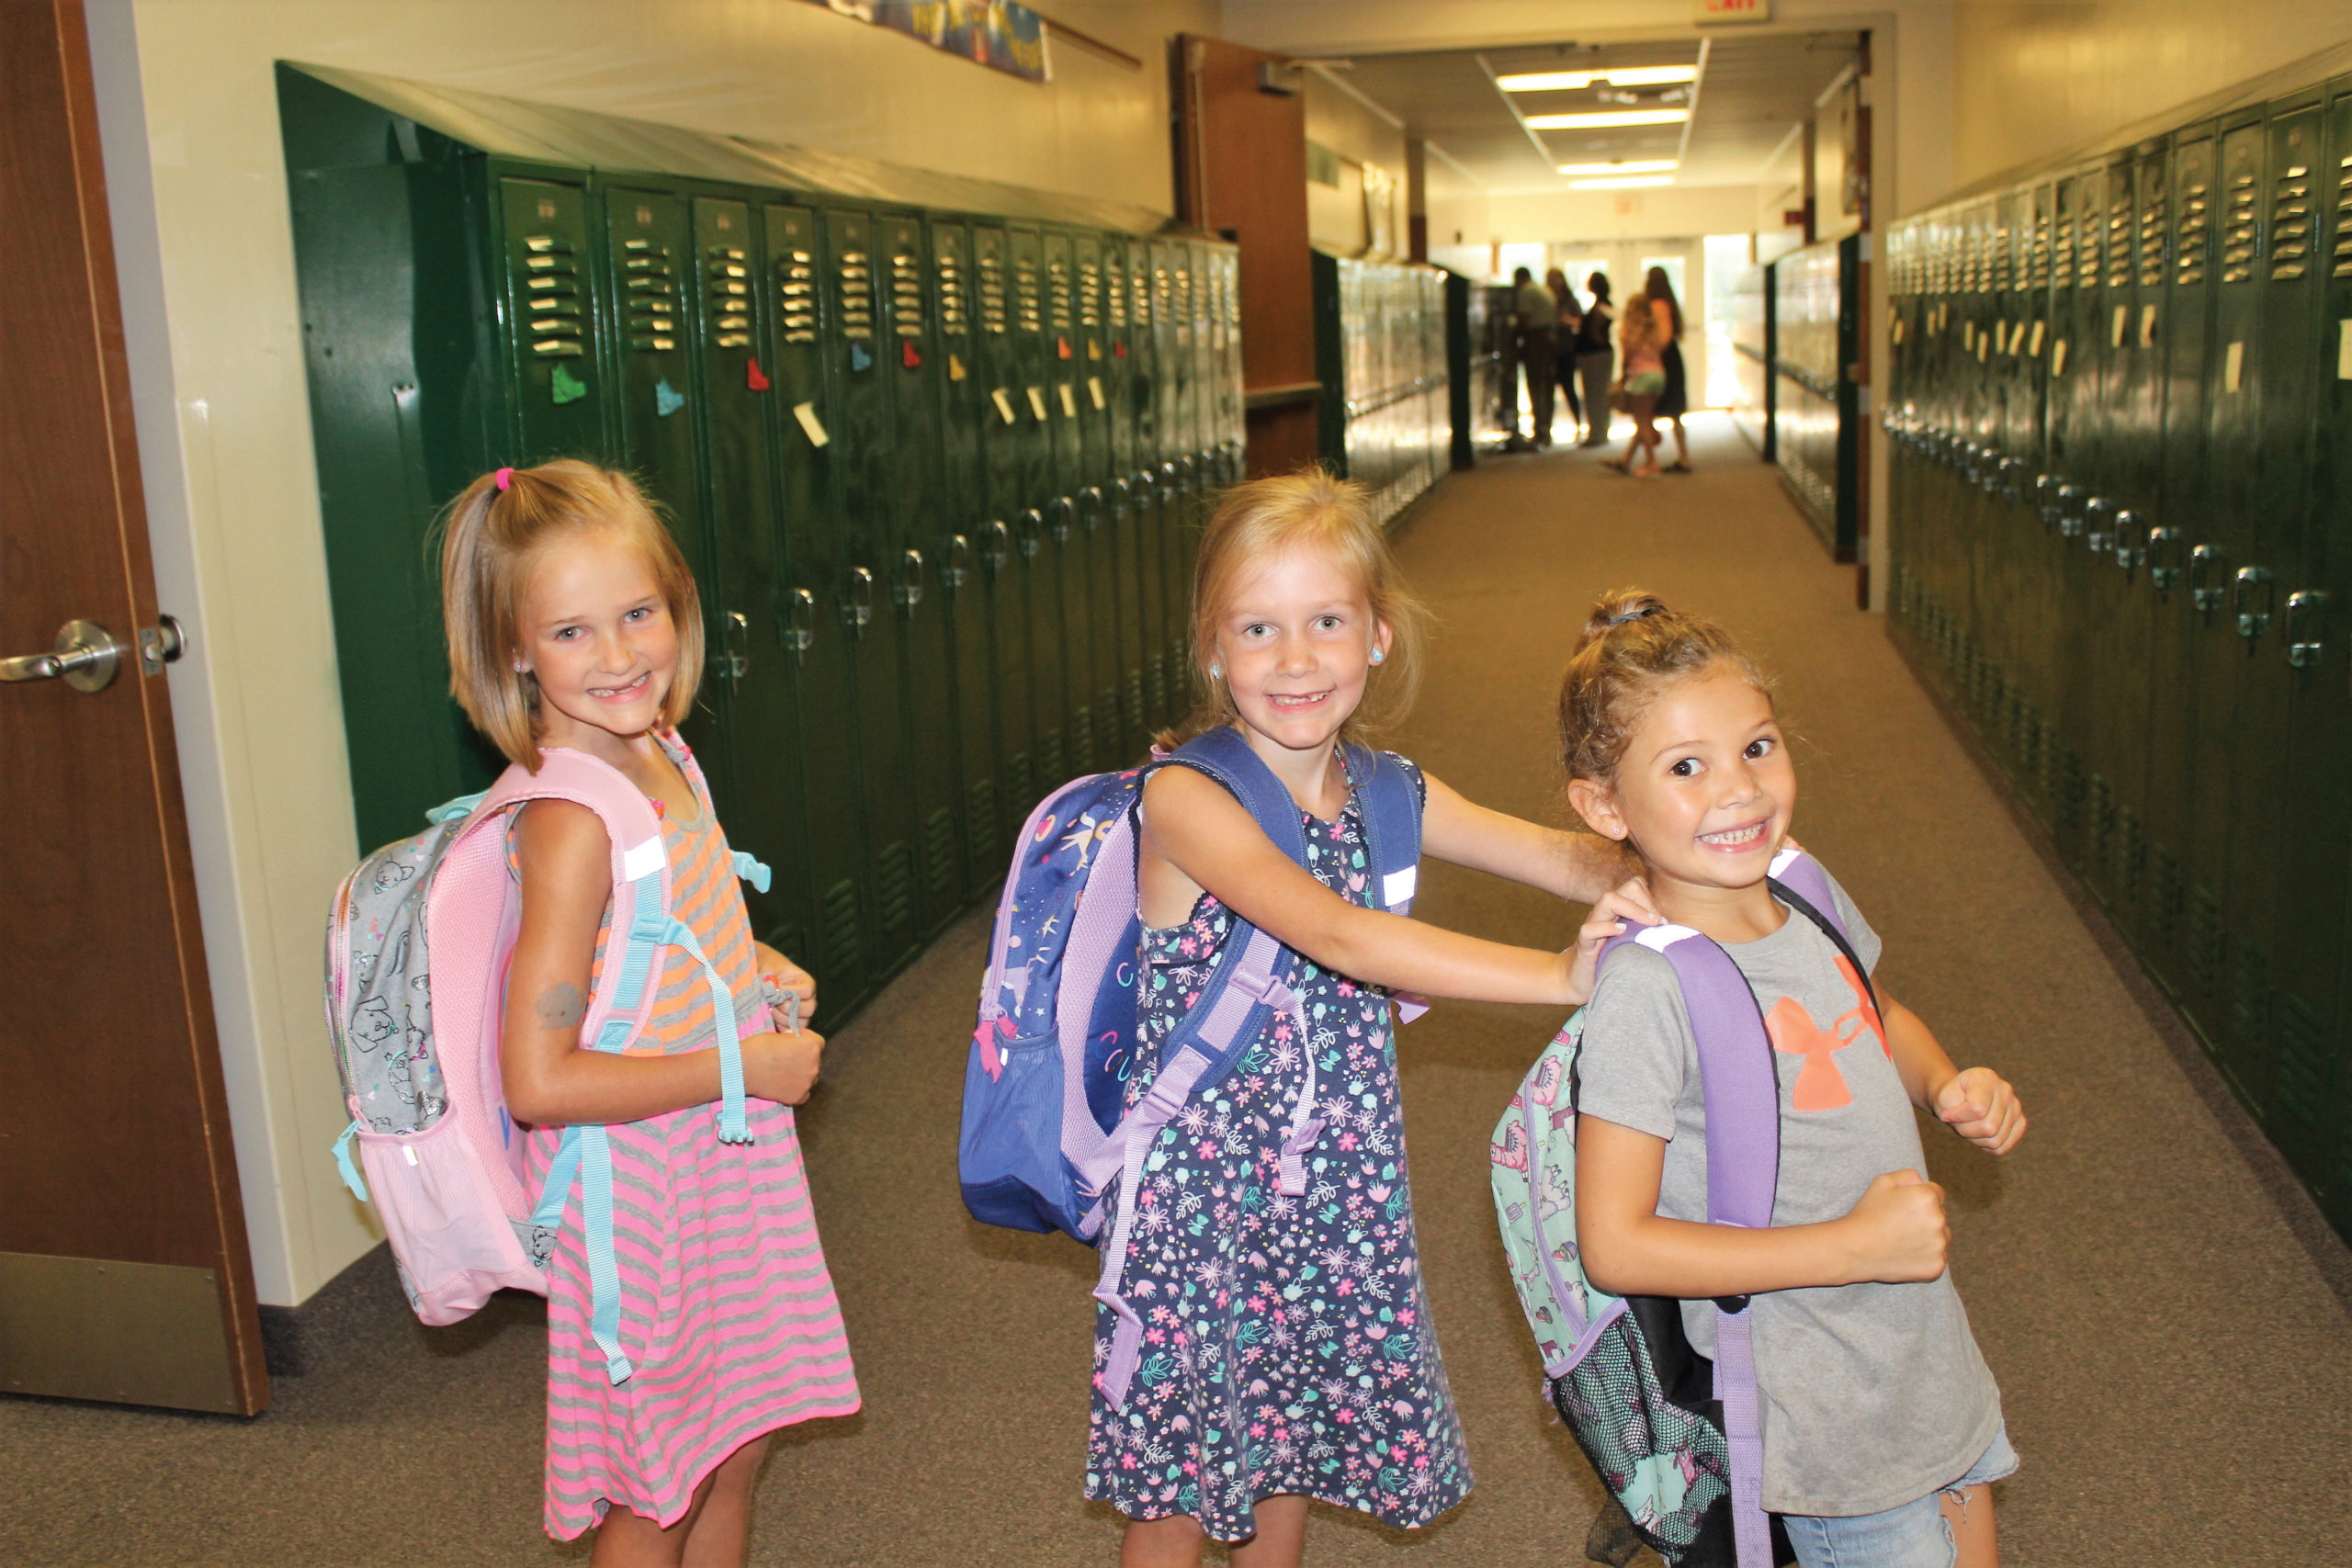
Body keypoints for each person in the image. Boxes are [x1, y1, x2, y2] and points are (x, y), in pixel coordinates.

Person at [1096, 472, 1653, 1567]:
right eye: (1257, 628)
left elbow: (1560, 858)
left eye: (1325, 622)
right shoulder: (1186, 798)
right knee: (1179, 1474)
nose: (1294, 659)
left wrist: (1704, 852)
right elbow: (1341, 936)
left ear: (1376, 635)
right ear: (1212, 650)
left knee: (1288, 1440)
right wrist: (1558, 973)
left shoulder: (1384, 787)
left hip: (1328, 1188)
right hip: (1200, 1198)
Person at [443, 460, 858, 1563]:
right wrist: (743, 1068)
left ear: (678, 602)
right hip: (636, 1191)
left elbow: (653, 934)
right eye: (571, 632)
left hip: (717, 1163)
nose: (620, 655)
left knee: (736, 1443)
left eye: (638, 613)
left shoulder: (660, 751)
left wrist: (747, 965)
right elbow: (541, 1080)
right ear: (515, 651)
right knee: (658, 1484)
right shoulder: (572, 822)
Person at [1559, 590, 2027, 1568]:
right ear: (1604, 805)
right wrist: (1853, 1247)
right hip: (1823, 1401)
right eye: (1685, 767)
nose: (1739, 789)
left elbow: (1876, 1011)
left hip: (1920, 1351)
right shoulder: (1648, 991)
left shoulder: (1802, 885)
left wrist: (1946, 1083)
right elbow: (1616, 1242)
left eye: (1757, 747)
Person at [1603, 297, 1666, 479]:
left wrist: (1623, 379)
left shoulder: (1628, 332)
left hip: (1641, 377)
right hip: (1659, 376)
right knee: (1645, 420)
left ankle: (1652, 463)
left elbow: (1627, 358)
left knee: (1643, 423)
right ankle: (1626, 460)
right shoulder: (1653, 330)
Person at [1645, 266, 1694, 473]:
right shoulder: (1669, 303)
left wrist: (1651, 354)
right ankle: (1683, 457)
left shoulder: (1658, 305)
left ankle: (1654, 460)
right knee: (1673, 412)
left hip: (1665, 360)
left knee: (1649, 408)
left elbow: (1664, 335)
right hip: (1670, 358)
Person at [1510, 265, 1560, 447]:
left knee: (1536, 384)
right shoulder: (1543, 290)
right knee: (1547, 386)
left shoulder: (1525, 292)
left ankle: (1540, 430)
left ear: (1519, 279)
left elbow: (1524, 319)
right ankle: (1546, 428)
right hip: (1550, 338)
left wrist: (1514, 339)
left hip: (1536, 339)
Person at [1573, 272, 1617, 447]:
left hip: (1595, 355)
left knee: (1595, 394)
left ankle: (1597, 433)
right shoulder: (1602, 304)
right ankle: (1600, 431)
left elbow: (1596, 332)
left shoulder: (1601, 307)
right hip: (1598, 354)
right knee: (1599, 393)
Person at [1546, 266, 1585, 436]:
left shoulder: (1569, 300)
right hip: (1550, 351)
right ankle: (1546, 429)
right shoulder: (1546, 299)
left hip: (1567, 349)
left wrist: (1566, 320)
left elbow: (1581, 321)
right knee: (1548, 391)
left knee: (1569, 389)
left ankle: (1578, 423)